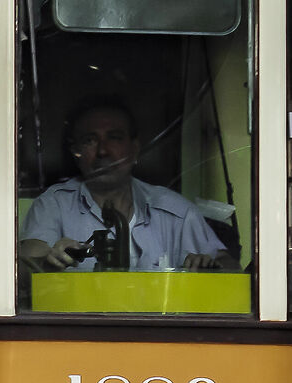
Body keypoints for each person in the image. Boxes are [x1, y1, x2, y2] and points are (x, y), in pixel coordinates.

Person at [17, 98, 224, 274]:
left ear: (134, 148)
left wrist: (211, 266)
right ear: (75, 151)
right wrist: (46, 261)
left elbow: (230, 267)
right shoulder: (53, 205)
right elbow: (24, 269)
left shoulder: (176, 210)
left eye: (114, 138)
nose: (103, 151)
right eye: (90, 140)